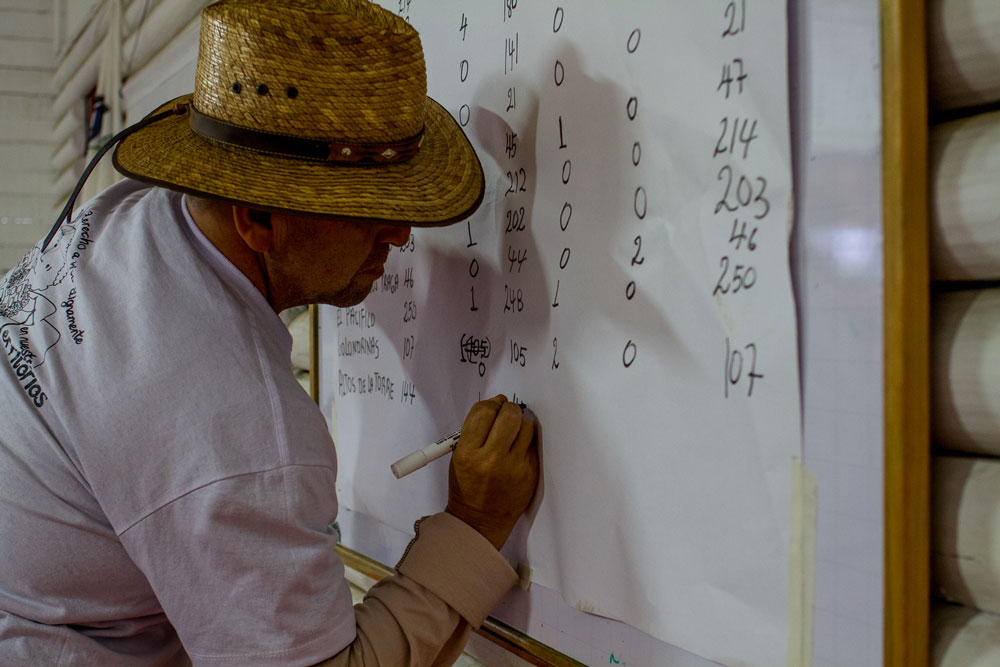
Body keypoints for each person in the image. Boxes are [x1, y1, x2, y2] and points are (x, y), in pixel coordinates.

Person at [0, 1, 539, 665]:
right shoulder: (231, 423)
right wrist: (475, 526)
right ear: (255, 215)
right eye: (367, 210)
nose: (401, 235)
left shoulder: (128, 219)